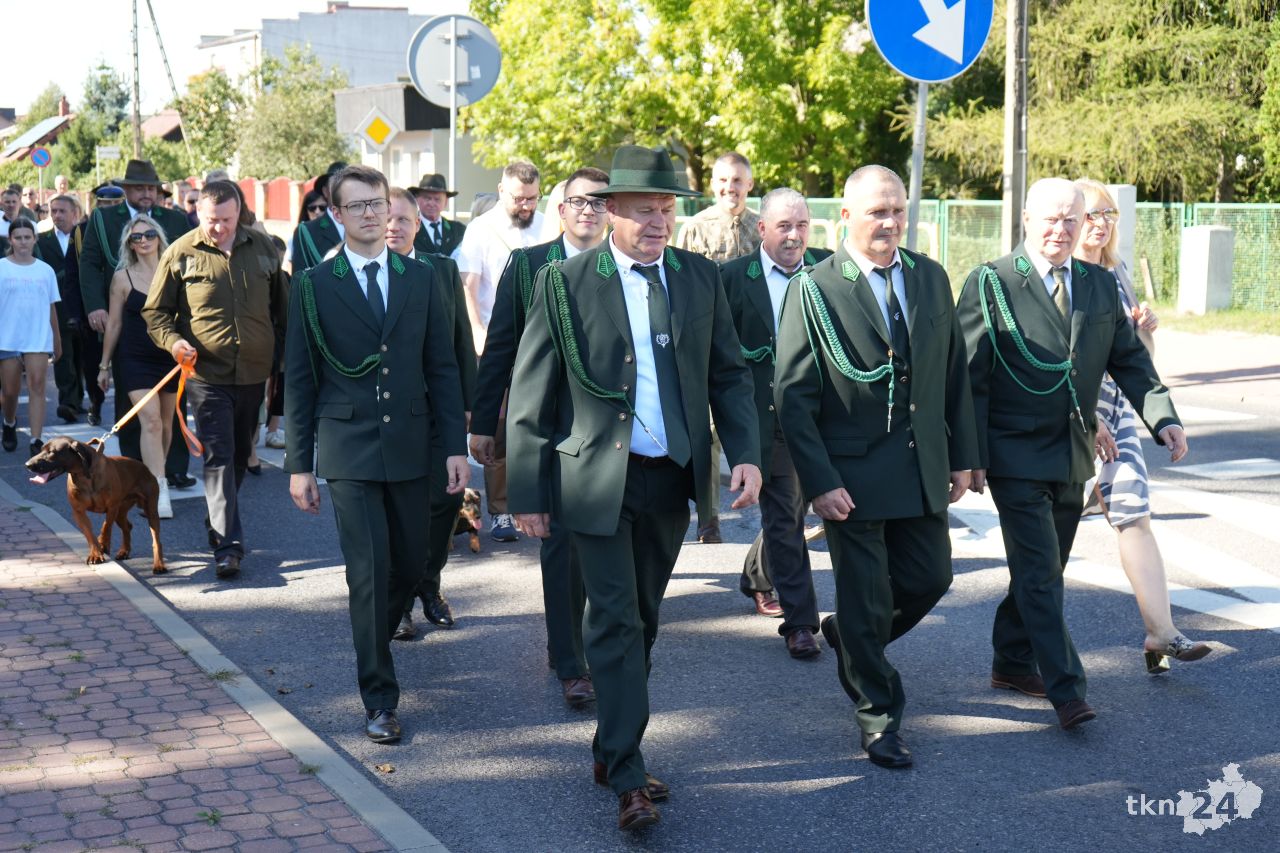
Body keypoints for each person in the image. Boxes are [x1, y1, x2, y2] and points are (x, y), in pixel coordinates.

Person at [507, 146, 762, 832]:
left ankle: (608, 745)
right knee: (615, 620)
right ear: (612, 211)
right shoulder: (564, 281)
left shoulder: (698, 278)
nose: (659, 221)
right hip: (594, 481)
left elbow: (730, 374)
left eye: (668, 209)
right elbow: (531, 393)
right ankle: (627, 776)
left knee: (643, 620)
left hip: (668, 477)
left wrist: (744, 453)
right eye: (645, 209)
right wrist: (526, 492)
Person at [957, 177, 1187, 731]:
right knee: (1040, 573)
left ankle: (1012, 661)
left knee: (1045, 568)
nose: (1060, 229)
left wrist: (1164, 416)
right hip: (1012, 453)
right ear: (1028, 220)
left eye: (1071, 219)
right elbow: (967, 376)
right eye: (1051, 218)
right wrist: (967, 455)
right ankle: (1067, 690)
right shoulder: (991, 282)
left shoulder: (1096, 284)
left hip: (1073, 451)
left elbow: (1128, 359)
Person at [775, 167, 978, 767]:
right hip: (852, 476)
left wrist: (965, 455)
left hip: (920, 466)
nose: (890, 223)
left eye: (897, 211)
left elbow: (953, 373)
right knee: (865, 598)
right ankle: (878, 716)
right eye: (876, 213)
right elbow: (792, 395)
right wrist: (818, 481)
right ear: (845, 218)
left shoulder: (931, 277)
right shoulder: (813, 288)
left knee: (931, 577)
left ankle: (850, 640)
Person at [284, 165, 468, 744]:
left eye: (378, 202)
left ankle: (372, 635)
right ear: (336, 214)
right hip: (349, 450)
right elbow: (300, 378)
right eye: (357, 204)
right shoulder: (314, 284)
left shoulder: (421, 278)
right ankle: (379, 698)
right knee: (367, 574)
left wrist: (454, 449)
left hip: (413, 446)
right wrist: (298, 464)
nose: (370, 213)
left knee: (413, 565)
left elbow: (441, 365)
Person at [471, 166, 610, 707]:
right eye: (578, 201)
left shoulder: (620, 265)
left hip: (609, 431)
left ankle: (585, 646)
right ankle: (571, 662)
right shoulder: (529, 265)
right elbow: (501, 346)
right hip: (549, 428)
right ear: (560, 209)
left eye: (599, 203)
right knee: (562, 548)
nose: (589, 211)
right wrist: (485, 424)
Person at [1072, 179, 1211, 673]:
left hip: (1115, 411)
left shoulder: (1117, 272)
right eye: (1090, 214)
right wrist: (1086, 418)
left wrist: (1146, 335)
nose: (1100, 224)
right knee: (1050, 539)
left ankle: (1161, 632)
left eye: (1107, 214)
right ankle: (1021, 645)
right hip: (1069, 414)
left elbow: (1133, 359)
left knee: (1134, 512)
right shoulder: (1060, 275)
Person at [143, 180, 290, 579]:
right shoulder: (180, 252)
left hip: (254, 373)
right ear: (200, 214)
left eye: (225, 220)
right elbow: (155, 314)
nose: (218, 228)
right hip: (205, 373)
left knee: (242, 453)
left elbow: (284, 310)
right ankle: (228, 546)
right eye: (211, 220)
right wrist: (175, 344)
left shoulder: (262, 249)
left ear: (239, 212)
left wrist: (288, 360)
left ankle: (218, 520)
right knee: (219, 455)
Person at [720, 188, 832, 653]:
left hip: (825, 418)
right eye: (784, 226)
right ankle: (801, 623)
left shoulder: (829, 270)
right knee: (785, 514)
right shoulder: (731, 278)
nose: (794, 235)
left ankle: (756, 574)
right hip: (766, 418)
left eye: (802, 225)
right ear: (761, 229)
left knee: (810, 509)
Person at [382, 186, 476, 639]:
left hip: (440, 409)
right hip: (391, 415)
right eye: (387, 218)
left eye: (403, 219)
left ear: (418, 225)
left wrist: (470, 406)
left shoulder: (441, 269)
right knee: (399, 512)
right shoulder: (365, 274)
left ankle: (429, 585)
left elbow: (460, 343)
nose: (393, 227)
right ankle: (399, 603)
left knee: (445, 502)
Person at [79, 159, 195, 490]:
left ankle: (174, 467)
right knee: (141, 415)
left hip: (169, 341)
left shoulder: (175, 219)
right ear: (127, 190)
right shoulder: (104, 218)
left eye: (151, 189)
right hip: (127, 325)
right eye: (140, 188)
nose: (147, 194)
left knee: (170, 415)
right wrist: (96, 307)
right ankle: (136, 470)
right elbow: (89, 264)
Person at [455, 161, 546, 543]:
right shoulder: (482, 229)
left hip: (540, 344)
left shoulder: (547, 224)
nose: (525, 206)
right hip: (499, 343)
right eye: (518, 199)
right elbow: (469, 286)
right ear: (501, 191)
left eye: (531, 199)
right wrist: (478, 333)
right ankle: (501, 509)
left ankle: (539, 500)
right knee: (499, 430)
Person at [675, 152, 761, 544]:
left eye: (738, 181)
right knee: (707, 431)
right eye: (724, 181)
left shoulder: (761, 226)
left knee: (754, 422)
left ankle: (760, 495)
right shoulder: (695, 228)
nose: (731, 188)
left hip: (753, 340)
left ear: (750, 184)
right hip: (707, 337)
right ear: (713, 184)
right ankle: (709, 516)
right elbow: (679, 283)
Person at [97, 215, 179, 518]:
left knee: (167, 426)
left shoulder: (175, 270)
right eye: (136, 237)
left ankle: (153, 476)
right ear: (129, 244)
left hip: (169, 355)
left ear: (158, 236)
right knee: (152, 421)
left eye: (148, 234)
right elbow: (115, 323)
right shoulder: (122, 277)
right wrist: (104, 365)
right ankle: (159, 492)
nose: (143, 240)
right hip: (134, 358)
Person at [35, 195, 100, 426]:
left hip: (83, 306)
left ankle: (88, 399)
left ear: (75, 212)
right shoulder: (42, 241)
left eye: (62, 211)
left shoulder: (86, 236)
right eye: (53, 211)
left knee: (85, 355)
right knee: (63, 355)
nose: (57, 215)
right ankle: (68, 403)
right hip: (56, 308)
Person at [0, 218, 62, 455]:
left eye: (28, 237)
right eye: (18, 237)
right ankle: (9, 422)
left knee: (37, 384)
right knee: (10, 391)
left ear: (35, 239)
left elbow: (52, 307)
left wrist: (56, 339)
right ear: (11, 240)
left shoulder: (45, 271)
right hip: (7, 337)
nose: (23, 242)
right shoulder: (2, 267)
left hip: (37, 336)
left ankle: (36, 439)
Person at [290, 165, 347, 272]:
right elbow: (300, 279)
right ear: (325, 191)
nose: (343, 190)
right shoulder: (307, 231)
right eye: (336, 185)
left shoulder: (364, 224)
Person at [410, 173, 467, 257]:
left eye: (437, 199)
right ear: (417, 199)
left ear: (446, 202)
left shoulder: (458, 230)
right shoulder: (410, 228)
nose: (432, 203)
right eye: (427, 198)